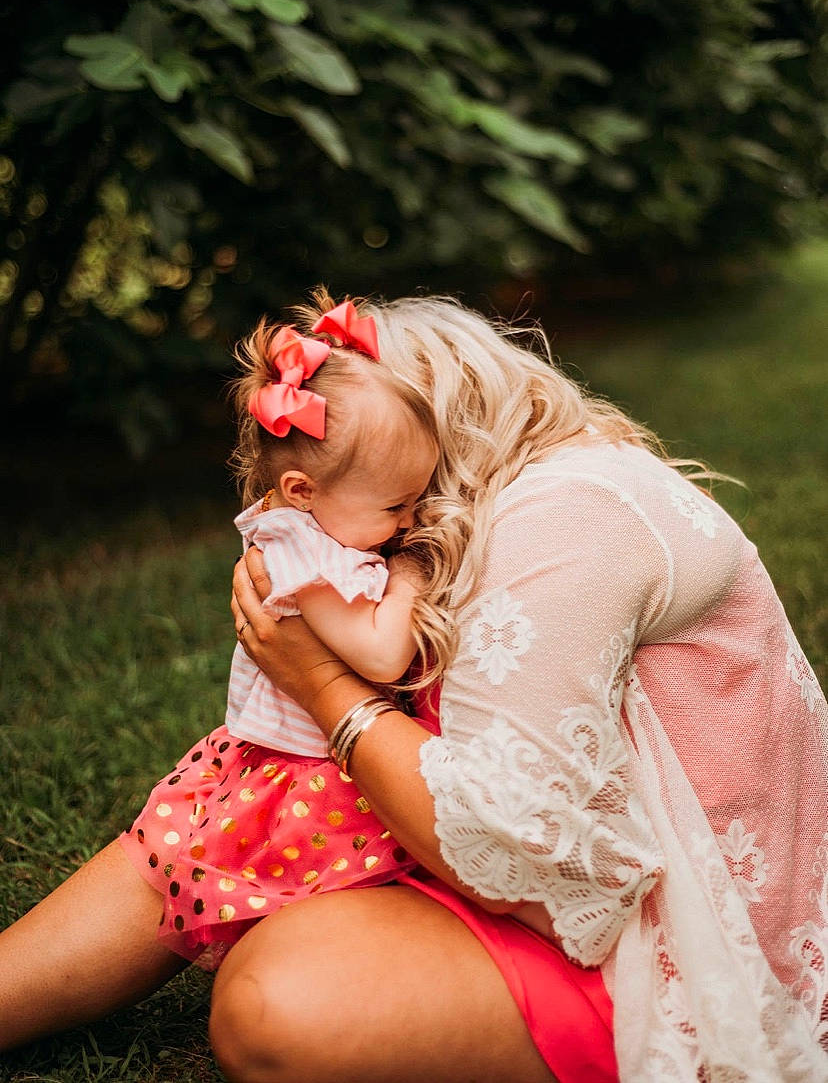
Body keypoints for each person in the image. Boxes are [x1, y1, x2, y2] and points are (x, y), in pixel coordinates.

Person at [1, 292, 826, 1083]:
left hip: (650, 924)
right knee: (210, 814)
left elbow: (513, 849)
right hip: (518, 862)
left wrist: (324, 685)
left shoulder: (565, 519)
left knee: (274, 1001)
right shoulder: (483, 510)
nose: (402, 516)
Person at [116, 299, 441, 966]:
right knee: (319, 911)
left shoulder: (328, 523)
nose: (411, 521)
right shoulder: (298, 553)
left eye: (418, 501)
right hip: (312, 776)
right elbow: (380, 652)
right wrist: (415, 567)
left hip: (331, 754)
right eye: (396, 506)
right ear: (301, 490)